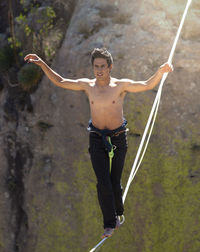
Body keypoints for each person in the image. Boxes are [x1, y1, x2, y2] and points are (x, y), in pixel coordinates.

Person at [24, 48, 173, 238]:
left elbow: (145, 84)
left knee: (114, 182)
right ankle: (109, 224)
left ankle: (118, 213)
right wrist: (41, 63)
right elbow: (60, 81)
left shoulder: (120, 86)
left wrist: (160, 71)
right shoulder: (88, 86)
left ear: (110, 67)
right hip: (96, 138)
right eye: (96, 66)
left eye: (103, 66)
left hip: (118, 137)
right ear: (93, 68)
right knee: (103, 183)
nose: (99, 70)